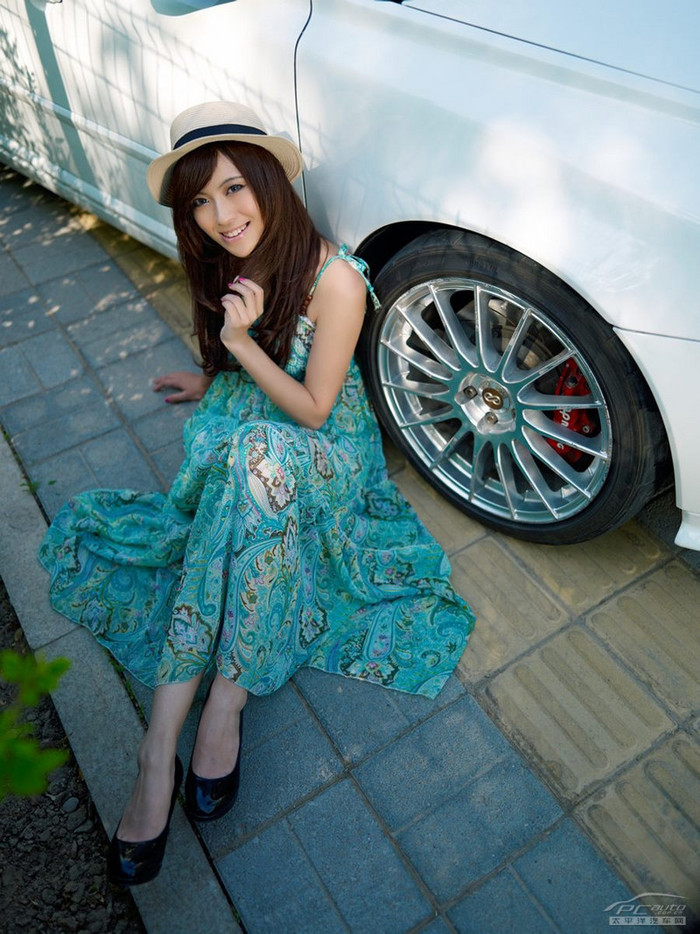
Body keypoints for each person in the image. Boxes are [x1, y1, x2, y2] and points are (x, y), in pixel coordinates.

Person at [38, 101, 476, 886]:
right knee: (245, 480)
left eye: (234, 188)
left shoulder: (336, 279)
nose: (220, 215)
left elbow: (314, 408)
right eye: (201, 202)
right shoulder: (229, 260)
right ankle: (159, 752)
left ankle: (220, 705)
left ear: (269, 181)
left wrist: (238, 344)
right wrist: (215, 374)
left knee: (258, 459)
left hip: (325, 446)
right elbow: (243, 358)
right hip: (253, 417)